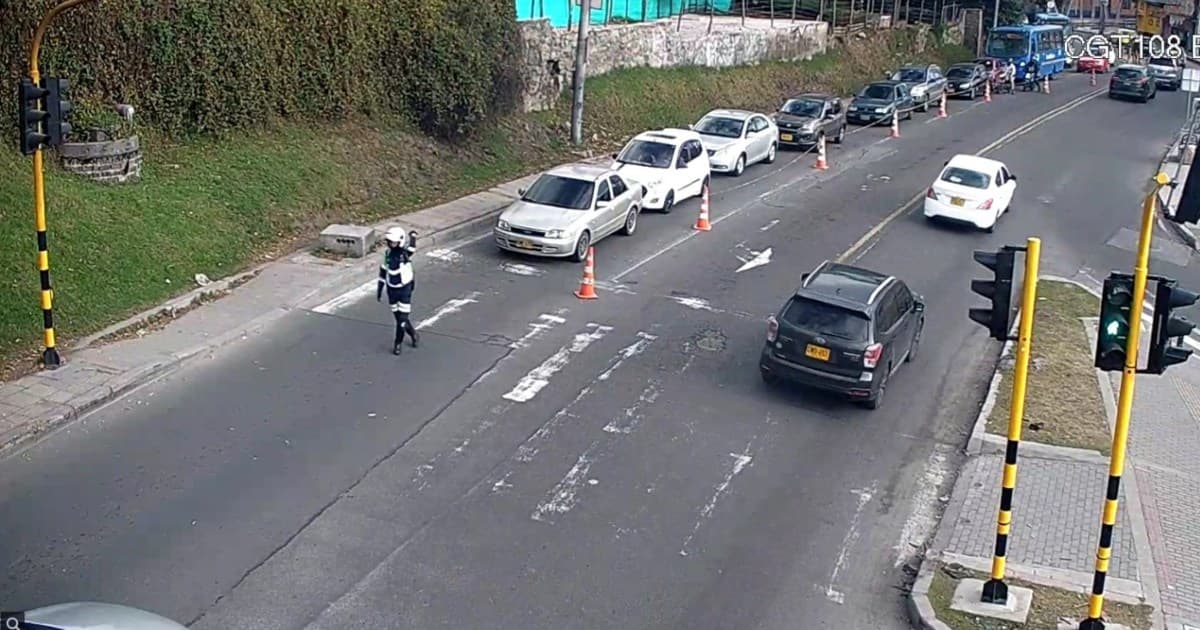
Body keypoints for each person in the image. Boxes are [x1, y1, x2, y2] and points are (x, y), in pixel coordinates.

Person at [377, 226, 420, 355]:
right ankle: (413, 333)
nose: (391, 244)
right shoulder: (388, 254)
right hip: (392, 291)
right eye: (389, 242)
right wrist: (380, 289)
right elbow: (383, 271)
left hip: (404, 290)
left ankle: (397, 343)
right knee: (399, 318)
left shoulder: (404, 254)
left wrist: (413, 236)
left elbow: (412, 248)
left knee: (401, 321)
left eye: (393, 242)